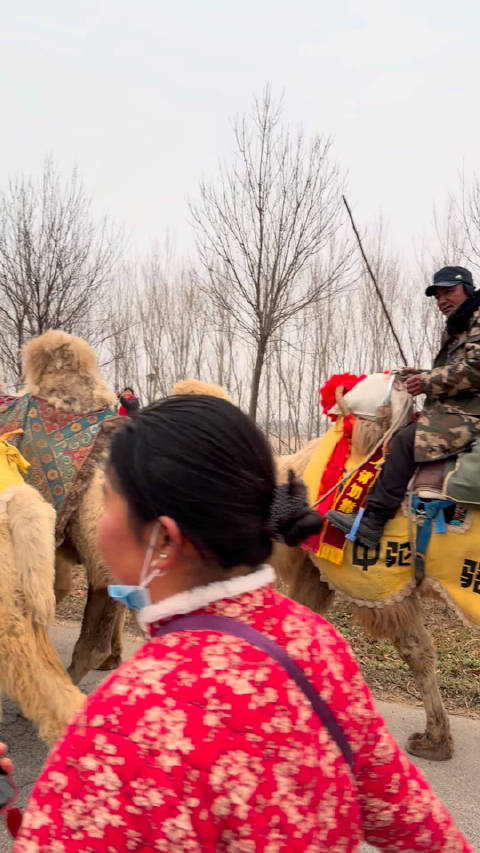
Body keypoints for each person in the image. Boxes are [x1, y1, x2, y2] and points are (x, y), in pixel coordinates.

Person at [7, 395, 473, 851]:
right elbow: (406, 814)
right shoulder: (314, 642)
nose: (100, 524)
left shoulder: (119, 727)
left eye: (107, 504)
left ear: (163, 540)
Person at [327, 265, 480, 548]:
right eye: (437, 295)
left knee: (405, 440)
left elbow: (475, 369)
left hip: (471, 415)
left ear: (468, 290)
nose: (442, 300)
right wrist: (420, 374)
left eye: (449, 292)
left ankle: (372, 524)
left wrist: (427, 382)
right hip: (457, 409)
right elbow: (457, 370)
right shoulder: (460, 324)